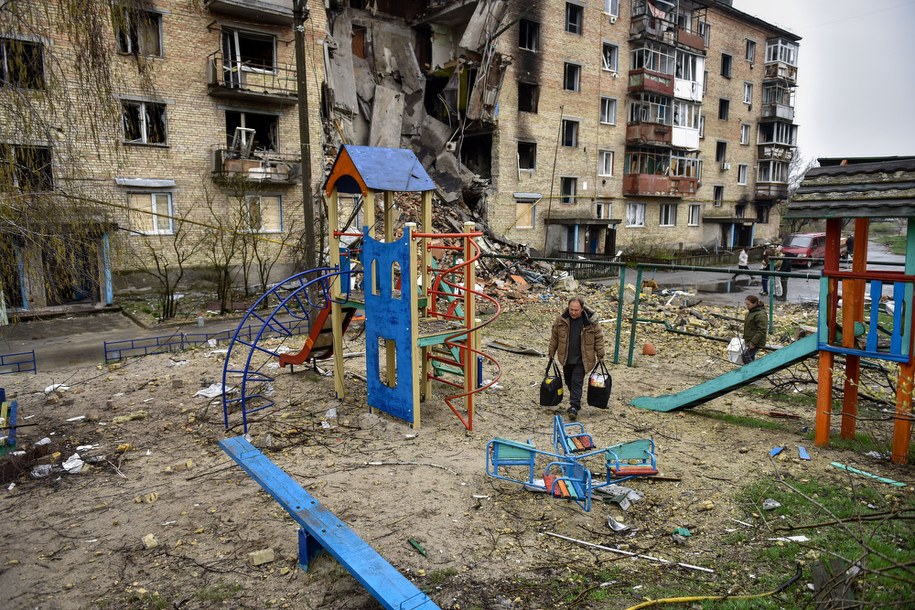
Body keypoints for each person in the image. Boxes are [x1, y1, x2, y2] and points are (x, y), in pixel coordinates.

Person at [548, 296, 606, 420]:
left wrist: (600, 354)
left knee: (576, 381)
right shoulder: (561, 320)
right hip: (566, 358)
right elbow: (555, 337)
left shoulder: (590, 322)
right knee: (569, 381)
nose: (573, 312)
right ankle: (575, 397)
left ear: (582, 309)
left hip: (582, 359)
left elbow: (599, 338)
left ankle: (574, 406)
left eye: (576, 310)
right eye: (571, 310)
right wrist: (551, 352)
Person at [742, 295, 767, 363]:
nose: (747, 306)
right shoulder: (750, 312)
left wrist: (753, 342)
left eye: (748, 304)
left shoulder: (760, 314)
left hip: (756, 341)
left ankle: (752, 369)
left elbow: (762, 330)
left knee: (746, 356)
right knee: (750, 357)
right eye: (746, 304)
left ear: (755, 303)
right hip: (750, 340)